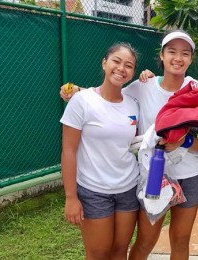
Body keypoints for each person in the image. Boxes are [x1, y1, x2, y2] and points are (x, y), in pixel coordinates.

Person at [60, 30, 198, 260]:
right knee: (144, 243)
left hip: (188, 176)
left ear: (191, 59)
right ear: (161, 56)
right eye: (171, 51)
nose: (178, 58)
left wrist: (184, 141)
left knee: (180, 240)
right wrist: (74, 91)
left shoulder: (197, 90)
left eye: (185, 53)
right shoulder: (143, 86)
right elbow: (107, 96)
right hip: (152, 177)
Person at [60, 43, 140, 260]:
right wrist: (71, 197)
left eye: (129, 65)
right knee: (98, 253)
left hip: (128, 188)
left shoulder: (133, 104)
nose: (121, 68)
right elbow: (68, 151)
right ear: (104, 63)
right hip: (93, 191)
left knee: (119, 251)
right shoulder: (82, 101)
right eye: (116, 61)